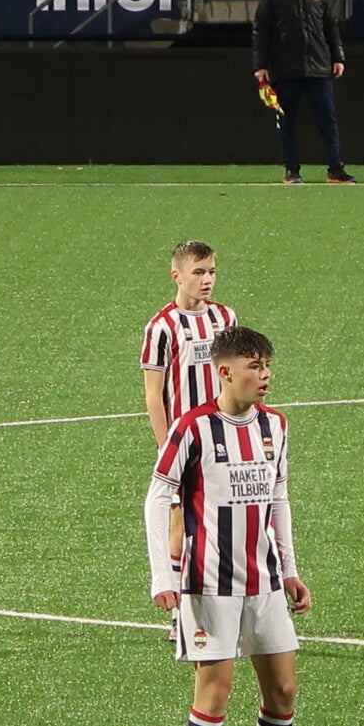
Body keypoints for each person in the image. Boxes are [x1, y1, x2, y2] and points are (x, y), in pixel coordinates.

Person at [146, 325, 326, 726]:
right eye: (254, 366)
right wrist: (163, 576)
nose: (265, 375)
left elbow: (280, 498)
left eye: (267, 365)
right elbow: (158, 498)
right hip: (209, 584)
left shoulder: (276, 426)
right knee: (215, 693)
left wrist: (290, 569)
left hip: (264, 580)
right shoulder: (194, 428)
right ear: (224, 371)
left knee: (283, 690)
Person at [141, 240, 238, 662]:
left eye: (211, 271)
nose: (207, 279)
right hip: (185, 442)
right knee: (181, 524)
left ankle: (226, 603)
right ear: (177, 276)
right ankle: (180, 611)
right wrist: (167, 446)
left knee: (225, 519)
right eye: (198, 272)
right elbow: (154, 394)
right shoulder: (161, 327)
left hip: (223, 437)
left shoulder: (225, 317)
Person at [252, 0, 355, 185]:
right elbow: (260, 32)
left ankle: (335, 169)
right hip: (285, 70)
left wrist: (338, 57)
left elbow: (331, 27)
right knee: (286, 121)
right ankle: (291, 170)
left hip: (318, 68)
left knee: (327, 120)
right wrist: (260, 65)